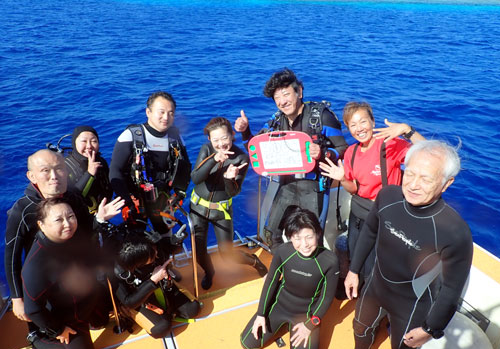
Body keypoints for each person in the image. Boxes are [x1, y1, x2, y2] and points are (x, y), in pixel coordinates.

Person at [327, 140, 473, 349]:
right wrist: (353, 271)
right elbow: (369, 233)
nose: (413, 185)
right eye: (410, 174)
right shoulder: (388, 196)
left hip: (412, 303)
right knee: (360, 326)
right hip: (376, 287)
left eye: (426, 179)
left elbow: (451, 290)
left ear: (446, 184)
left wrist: (430, 329)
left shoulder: (454, 231)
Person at [4, 149, 124, 324]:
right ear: (32, 176)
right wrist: (16, 298)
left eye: (59, 168)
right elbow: (11, 256)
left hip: (77, 273)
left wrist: (99, 218)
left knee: (100, 321)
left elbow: (86, 231)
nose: (54, 176)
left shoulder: (72, 195)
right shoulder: (23, 210)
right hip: (47, 282)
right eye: (45, 170)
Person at [235, 68, 348, 249]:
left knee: (311, 240)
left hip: (314, 187)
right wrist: (245, 131)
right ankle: (289, 268)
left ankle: (311, 275)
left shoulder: (322, 117)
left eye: (286, 94)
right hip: (286, 185)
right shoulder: (275, 121)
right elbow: (255, 149)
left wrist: (323, 153)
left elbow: (344, 150)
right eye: (277, 98)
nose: (282, 101)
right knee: (270, 235)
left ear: (299, 92)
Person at [319, 102, 425, 282]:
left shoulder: (390, 145)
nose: (359, 129)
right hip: (359, 214)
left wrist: (408, 130)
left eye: (363, 122)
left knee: (378, 263)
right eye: (353, 125)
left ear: (373, 122)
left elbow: (428, 153)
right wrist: (343, 178)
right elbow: (354, 189)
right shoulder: (351, 152)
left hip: (386, 214)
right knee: (356, 257)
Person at [240, 207, 339, 349]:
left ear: (318, 234)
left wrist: (310, 324)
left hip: (305, 315)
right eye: (297, 238)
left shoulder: (329, 261)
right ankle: (282, 324)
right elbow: (271, 282)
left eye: (309, 237)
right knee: (247, 343)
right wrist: (260, 314)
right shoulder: (283, 252)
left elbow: (326, 298)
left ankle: (289, 327)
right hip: (280, 306)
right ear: (290, 237)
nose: (304, 244)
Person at [109, 91, 191, 278]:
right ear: (148, 112)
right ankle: (140, 278)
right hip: (136, 202)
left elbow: (185, 168)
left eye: (171, 113)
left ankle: (164, 269)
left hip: (163, 200)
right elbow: (115, 171)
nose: (166, 117)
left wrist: (179, 194)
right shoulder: (131, 135)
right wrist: (127, 200)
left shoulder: (176, 138)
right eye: (161, 112)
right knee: (137, 244)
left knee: (165, 237)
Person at [22, 198, 110, 349]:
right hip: (68, 317)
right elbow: (32, 309)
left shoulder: (72, 236)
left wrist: (99, 219)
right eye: (58, 220)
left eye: (70, 216)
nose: (68, 223)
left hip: (87, 299)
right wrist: (58, 330)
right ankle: (36, 338)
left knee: (102, 322)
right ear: (41, 225)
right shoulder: (36, 265)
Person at [190, 117, 267, 290]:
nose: (221, 144)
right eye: (215, 140)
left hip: (221, 211)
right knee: (199, 252)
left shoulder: (241, 157)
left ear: (232, 135)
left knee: (227, 254)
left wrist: (229, 179)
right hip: (198, 209)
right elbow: (195, 178)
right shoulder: (207, 149)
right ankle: (209, 272)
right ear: (209, 139)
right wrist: (214, 159)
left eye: (224, 138)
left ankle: (255, 262)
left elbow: (234, 192)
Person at [112, 233, 200, 338]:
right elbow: (129, 302)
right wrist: (153, 279)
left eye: (155, 250)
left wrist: (177, 241)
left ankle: (170, 308)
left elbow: (171, 247)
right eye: (153, 255)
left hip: (164, 286)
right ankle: (130, 314)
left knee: (193, 309)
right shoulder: (119, 273)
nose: (156, 253)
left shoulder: (153, 247)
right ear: (140, 262)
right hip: (141, 300)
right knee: (161, 329)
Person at [65, 126, 113, 214]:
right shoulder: (66, 167)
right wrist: (90, 173)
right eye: (84, 141)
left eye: (94, 141)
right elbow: (73, 198)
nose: (89, 146)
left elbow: (108, 188)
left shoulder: (101, 162)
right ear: (74, 143)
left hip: (100, 215)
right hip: (77, 219)